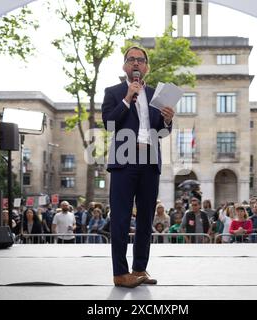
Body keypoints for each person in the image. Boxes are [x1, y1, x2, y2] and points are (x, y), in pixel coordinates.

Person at [101, 46, 174, 288]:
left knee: (145, 219)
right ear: (124, 66)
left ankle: (140, 268)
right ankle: (120, 273)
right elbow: (110, 124)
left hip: (149, 162)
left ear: (146, 67)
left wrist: (167, 119)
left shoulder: (156, 95)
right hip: (124, 162)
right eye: (131, 59)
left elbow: (161, 132)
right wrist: (126, 99)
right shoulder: (113, 92)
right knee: (121, 218)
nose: (136, 63)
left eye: (140, 60)